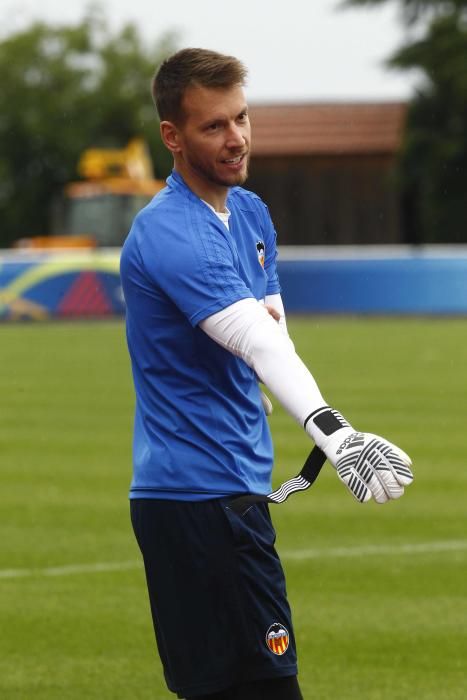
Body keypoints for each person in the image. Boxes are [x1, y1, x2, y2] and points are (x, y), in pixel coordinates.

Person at [120, 48, 414, 700]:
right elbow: (258, 345)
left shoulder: (249, 215)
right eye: (214, 126)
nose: (237, 138)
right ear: (171, 136)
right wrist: (336, 436)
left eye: (242, 118)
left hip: (231, 495)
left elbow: (270, 334)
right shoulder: (169, 232)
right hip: (195, 503)